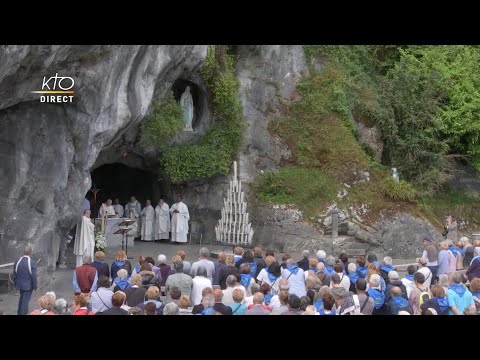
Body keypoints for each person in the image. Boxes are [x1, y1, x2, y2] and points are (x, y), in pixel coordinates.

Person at [13, 244, 37, 315]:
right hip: (28, 286)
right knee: (25, 302)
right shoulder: (31, 262)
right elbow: (34, 276)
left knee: (21, 300)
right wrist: (35, 286)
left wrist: (15, 284)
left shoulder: (17, 261)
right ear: (30, 252)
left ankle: (19, 313)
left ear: (23, 252)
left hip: (19, 284)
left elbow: (15, 274)